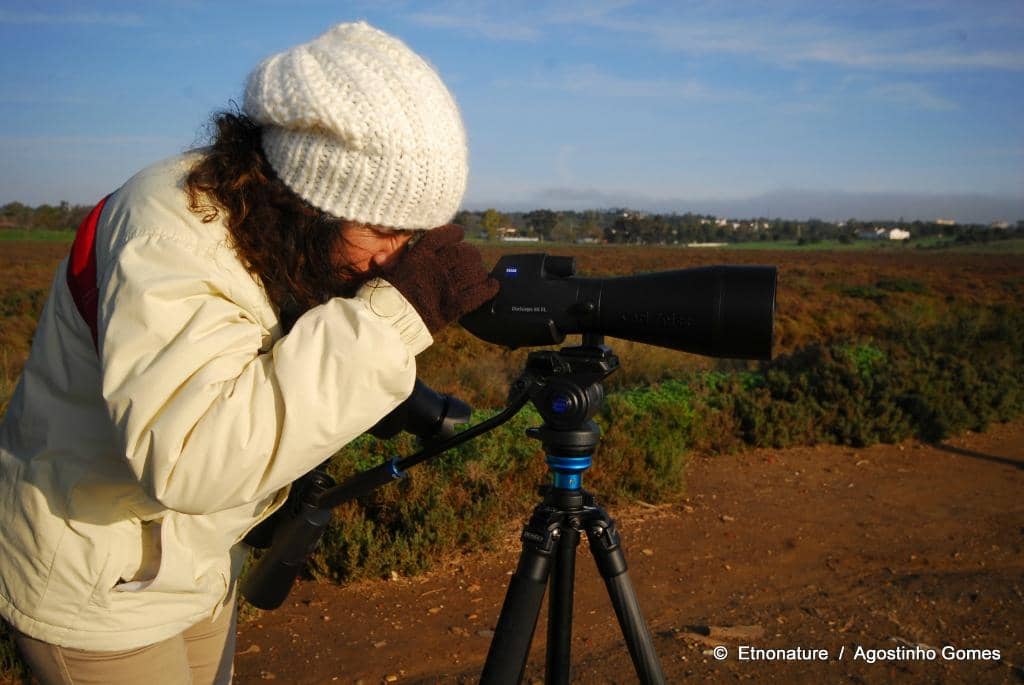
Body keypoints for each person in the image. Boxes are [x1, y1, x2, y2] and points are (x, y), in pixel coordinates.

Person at [0, 21, 498, 684]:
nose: (391, 258)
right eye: (383, 229)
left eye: (413, 239)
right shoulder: (171, 229)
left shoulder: (272, 236)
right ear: (308, 194)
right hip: (99, 583)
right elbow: (191, 458)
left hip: (193, 560)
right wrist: (390, 321)